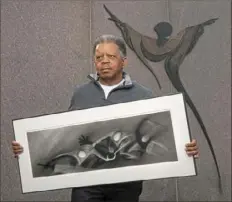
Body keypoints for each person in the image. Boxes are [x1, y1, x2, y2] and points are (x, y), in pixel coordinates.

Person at [12, 34, 199, 202]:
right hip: (85, 181)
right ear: (95, 63)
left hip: (126, 183)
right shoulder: (81, 94)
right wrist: (28, 149)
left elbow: (158, 133)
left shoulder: (143, 95)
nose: (105, 61)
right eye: (99, 57)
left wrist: (184, 148)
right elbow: (64, 135)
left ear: (123, 61)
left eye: (111, 56)